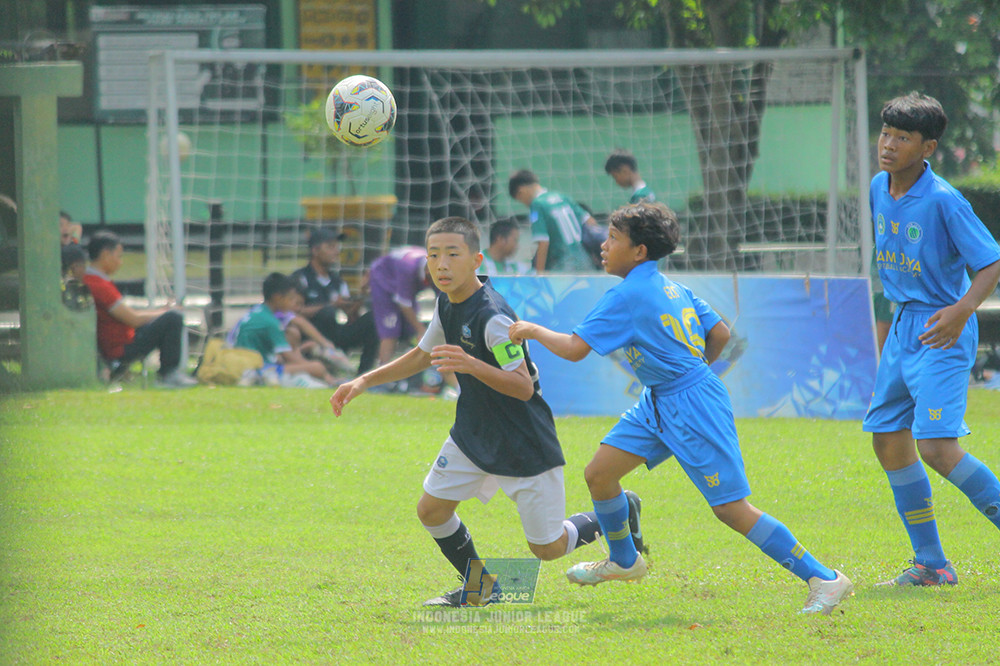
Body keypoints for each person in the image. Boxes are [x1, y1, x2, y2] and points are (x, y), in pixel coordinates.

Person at [509, 202, 853, 615]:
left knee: (729, 508)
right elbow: (721, 333)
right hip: (661, 397)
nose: (604, 244)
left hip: (689, 402)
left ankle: (825, 578)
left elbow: (573, 349)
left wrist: (532, 329)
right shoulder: (670, 286)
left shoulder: (628, 294)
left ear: (639, 251)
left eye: (614, 238)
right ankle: (624, 561)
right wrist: (688, 373)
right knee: (600, 474)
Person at [330, 216, 636, 607]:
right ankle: (483, 587)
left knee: (548, 547)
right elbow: (423, 355)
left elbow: (524, 386)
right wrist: (364, 381)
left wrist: (470, 363)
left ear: (476, 260)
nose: (441, 265)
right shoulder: (446, 302)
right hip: (473, 431)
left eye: (452, 254)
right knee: (432, 509)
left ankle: (622, 508)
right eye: (433, 255)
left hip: (523, 439)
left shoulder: (492, 316)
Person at [863, 92, 1000, 587]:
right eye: (885, 133)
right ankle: (932, 565)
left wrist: (962, 312)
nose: (889, 145)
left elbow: (990, 261)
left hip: (942, 329)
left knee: (938, 448)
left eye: (903, 138)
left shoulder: (944, 198)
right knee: (888, 442)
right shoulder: (880, 186)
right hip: (905, 327)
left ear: (928, 147)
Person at [82, 231, 196, 387]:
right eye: (119, 256)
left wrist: (161, 311)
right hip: (120, 348)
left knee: (169, 316)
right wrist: (166, 312)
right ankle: (169, 375)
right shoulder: (98, 285)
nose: (120, 262)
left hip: (120, 342)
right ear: (106, 255)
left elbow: (130, 315)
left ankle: (169, 374)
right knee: (174, 318)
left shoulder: (93, 280)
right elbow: (133, 319)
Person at [290, 228, 378, 375]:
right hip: (310, 337)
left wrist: (362, 294)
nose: (336, 251)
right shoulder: (300, 278)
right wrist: (331, 305)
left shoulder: (337, 281)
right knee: (327, 313)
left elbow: (351, 317)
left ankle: (364, 374)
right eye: (330, 247)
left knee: (372, 319)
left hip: (334, 336)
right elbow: (292, 313)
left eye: (337, 247)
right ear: (315, 250)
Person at [230, 272, 338, 386]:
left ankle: (330, 380)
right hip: (255, 369)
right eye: (290, 298)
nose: (292, 303)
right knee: (316, 367)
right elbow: (290, 357)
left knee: (294, 338)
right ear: (277, 298)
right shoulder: (270, 322)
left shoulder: (259, 312)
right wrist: (317, 368)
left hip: (240, 363)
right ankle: (332, 382)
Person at [508, 169, 597, 273]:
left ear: (521, 191)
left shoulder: (537, 204)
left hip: (562, 264)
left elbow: (543, 242)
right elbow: (591, 222)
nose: (524, 203)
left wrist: (539, 274)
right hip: (584, 260)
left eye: (520, 199)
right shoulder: (563, 197)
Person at [368, 245, 432, 367]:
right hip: (384, 284)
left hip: (405, 285)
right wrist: (422, 330)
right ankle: (383, 372)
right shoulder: (407, 267)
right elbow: (404, 304)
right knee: (390, 329)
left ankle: (412, 373)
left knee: (411, 330)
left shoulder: (436, 270)